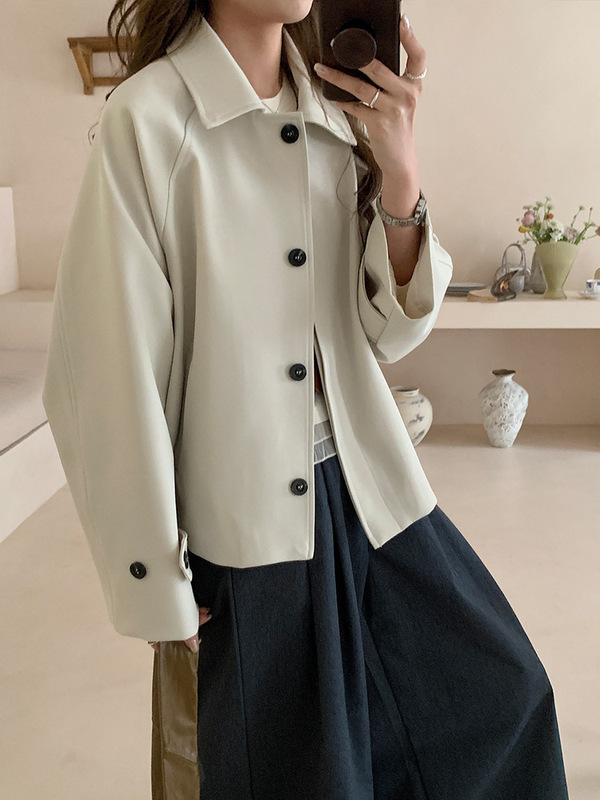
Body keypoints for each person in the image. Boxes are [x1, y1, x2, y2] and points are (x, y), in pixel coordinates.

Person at [42, 1, 570, 798]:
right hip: (250, 529)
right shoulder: (150, 120)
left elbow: (389, 331)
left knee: (504, 703)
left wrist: (400, 171)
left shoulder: (333, 109)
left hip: (374, 493)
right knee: (315, 777)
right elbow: (103, 367)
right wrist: (151, 577)